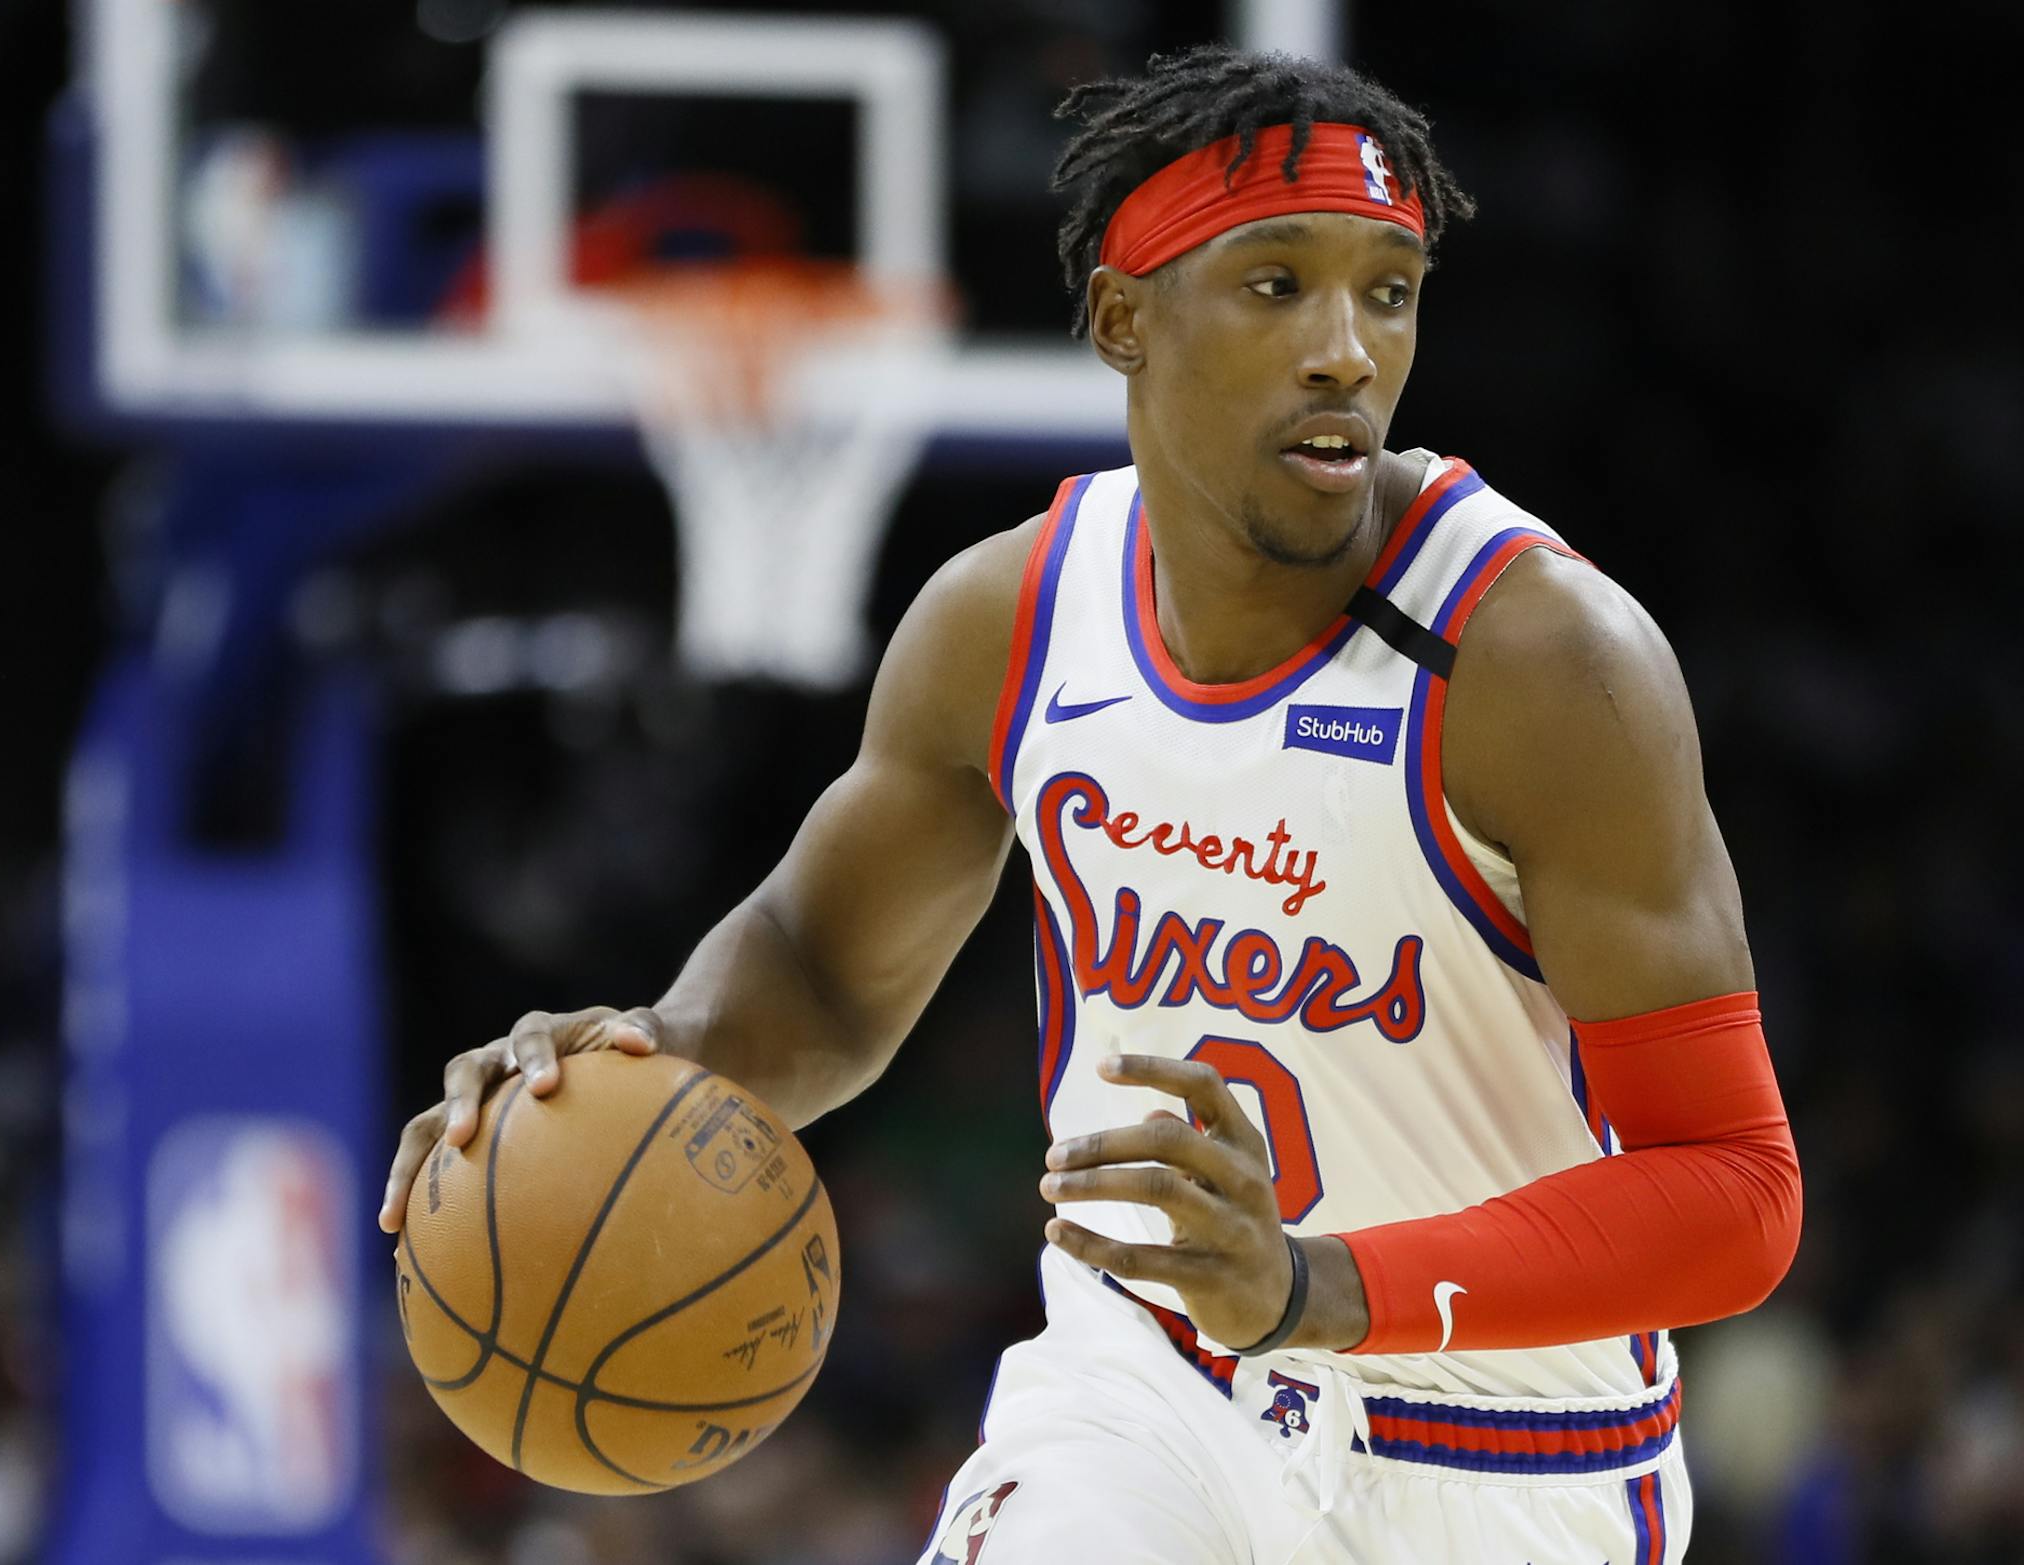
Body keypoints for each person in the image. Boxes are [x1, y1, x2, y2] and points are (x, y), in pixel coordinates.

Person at [378, 45, 1800, 1565]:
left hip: (1510, 1453)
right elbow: (818, 964)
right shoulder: (1013, 621)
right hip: (1154, 1392)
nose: (1346, 351)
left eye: (1386, 291)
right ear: (1126, 319)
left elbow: (1735, 1193)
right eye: (1275, 285)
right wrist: (641, 1062)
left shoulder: (1541, 664)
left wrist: (1316, 1286)